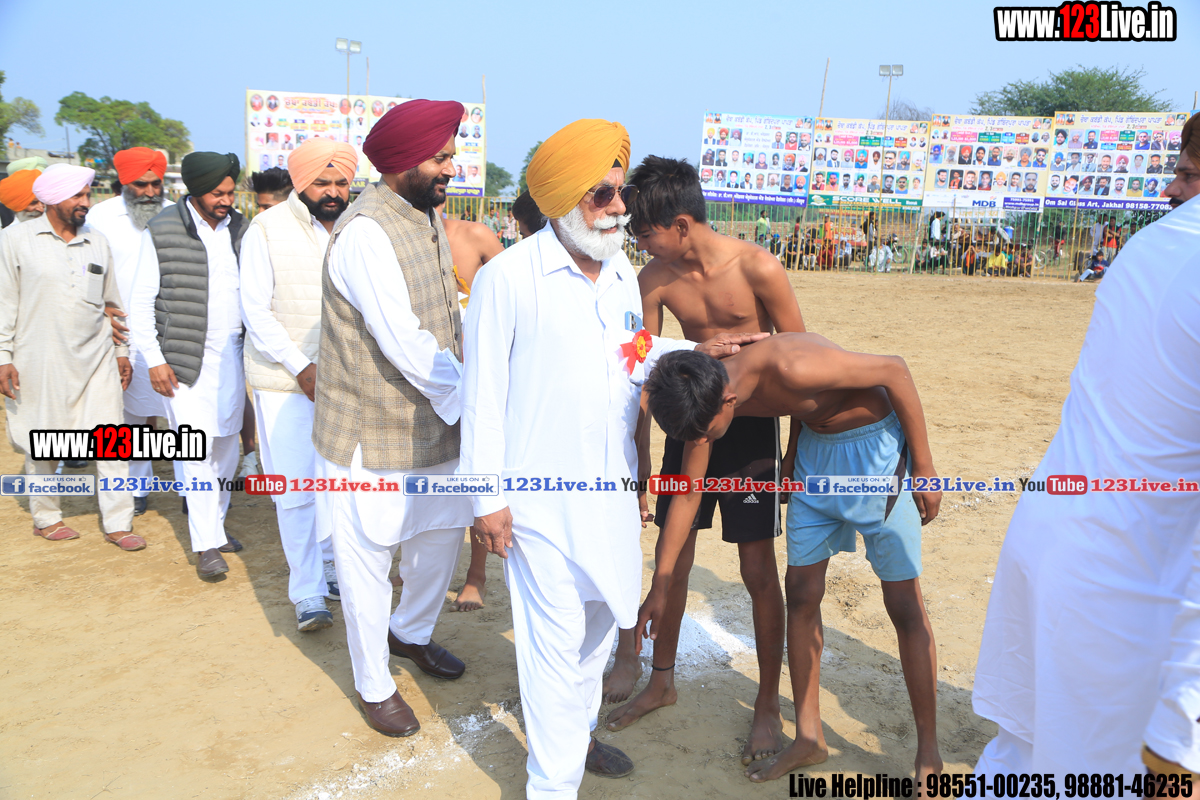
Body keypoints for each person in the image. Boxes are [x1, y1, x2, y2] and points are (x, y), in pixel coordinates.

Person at [458, 118, 766, 798]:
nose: (619, 207)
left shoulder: (622, 272)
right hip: (536, 501)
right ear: (562, 198)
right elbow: (480, 395)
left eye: (619, 192)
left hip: (611, 492)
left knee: (599, 630)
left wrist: (688, 353)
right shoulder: (507, 278)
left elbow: (629, 352)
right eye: (602, 194)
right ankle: (553, 784)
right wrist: (486, 498)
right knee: (553, 643)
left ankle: (574, 738)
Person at [973, 113, 1200, 777]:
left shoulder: (1154, 245)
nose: (1170, 189)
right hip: (1130, 590)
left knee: (1024, 763)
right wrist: (1181, 736)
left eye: (1186, 174)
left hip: (1065, 544)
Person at [640, 334, 943, 782]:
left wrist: (925, 468)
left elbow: (895, 369)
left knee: (902, 604)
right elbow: (688, 492)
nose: (700, 440)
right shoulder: (707, 393)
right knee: (800, 592)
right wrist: (661, 582)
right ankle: (808, 738)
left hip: (874, 456)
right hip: (815, 459)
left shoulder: (790, 366)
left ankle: (929, 756)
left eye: (703, 433)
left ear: (728, 402)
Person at [603, 156, 805, 766]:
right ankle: (661, 680)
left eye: (644, 232)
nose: (637, 242)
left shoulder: (758, 267)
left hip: (750, 433)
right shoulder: (655, 278)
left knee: (757, 569)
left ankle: (767, 702)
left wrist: (793, 452)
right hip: (687, 426)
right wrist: (643, 451)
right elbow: (639, 357)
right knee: (674, 554)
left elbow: (800, 357)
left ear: (682, 224)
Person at [312, 100, 476, 739]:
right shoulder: (366, 233)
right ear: (404, 162)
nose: (451, 167)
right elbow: (404, 342)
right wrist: (474, 397)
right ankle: (374, 684)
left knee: (439, 539)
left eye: (451, 155)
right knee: (368, 561)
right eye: (441, 158)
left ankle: (410, 633)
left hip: (434, 423)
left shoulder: (423, 214)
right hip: (370, 432)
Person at [239, 139, 359, 631]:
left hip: (347, 382)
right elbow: (255, 310)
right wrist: (300, 366)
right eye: (321, 182)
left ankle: (331, 568)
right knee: (294, 490)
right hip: (285, 383)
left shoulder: (358, 228)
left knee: (338, 486)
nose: (332, 192)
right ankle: (307, 593)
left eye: (341, 183)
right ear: (301, 182)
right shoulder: (266, 229)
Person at [0, 164, 140, 549]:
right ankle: (46, 517)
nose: (85, 202)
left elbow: (113, 302)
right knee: (45, 439)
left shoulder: (97, 241)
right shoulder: (15, 240)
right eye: (77, 195)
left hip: (97, 358)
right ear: (50, 198)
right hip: (39, 359)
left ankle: (119, 522)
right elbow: (4, 304)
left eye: (87, 194)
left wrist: (121, 351)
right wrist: (3, 356)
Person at [130, 152, 248, 578]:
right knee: (195, 451)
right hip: (181, 361)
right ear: (195, 190)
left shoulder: (240, 228)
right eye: (218, 193)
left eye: (231, 192)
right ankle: (206, 546)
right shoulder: (162, 229)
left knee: (226, 447)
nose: (226, 200)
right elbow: (140, 302)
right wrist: (155, 359)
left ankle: (214, 525)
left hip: (232, 357)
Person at [86, 148, 174, 517]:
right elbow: (90, 272)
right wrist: (100, 313)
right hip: (117, 329)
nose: (150, 192)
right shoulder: (100, 217)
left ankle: (186, 488)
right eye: (141, 184)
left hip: (164, 329)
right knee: (123, 413)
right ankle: (133, 486)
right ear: (124, 183)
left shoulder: (175, 213)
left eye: (156, 184)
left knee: (168, 409)